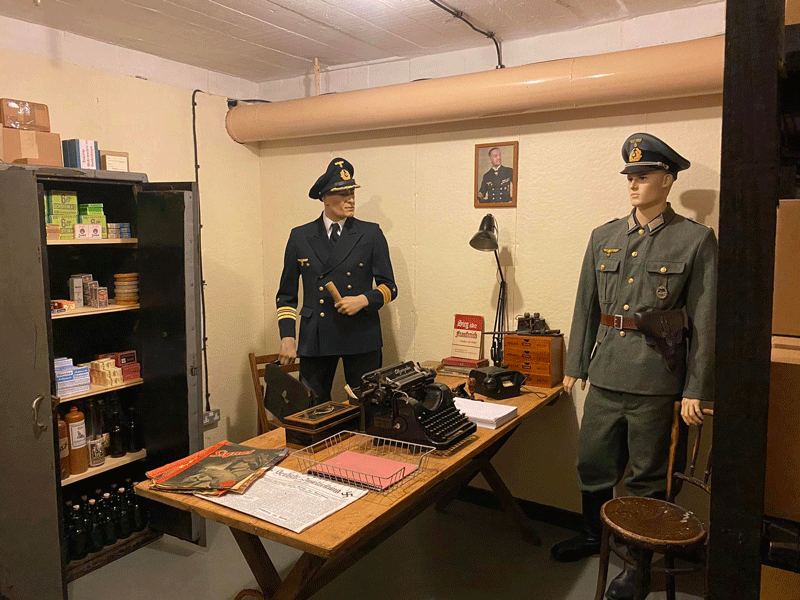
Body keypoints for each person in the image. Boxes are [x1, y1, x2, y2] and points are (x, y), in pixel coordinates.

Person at [551, 133, 717, 600]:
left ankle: (638, 566)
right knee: (593, 462)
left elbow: (706, 320)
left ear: (667, 180)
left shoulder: (694, 240)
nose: (633, 184)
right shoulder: (603, 236)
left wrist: (696, 388)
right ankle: (592, 536)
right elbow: (585, 304)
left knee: (648, 476)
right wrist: (576, 364)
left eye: (644, 176)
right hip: (605, 373)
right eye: (630, 176)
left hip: (657, 378)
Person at [275, 158, 397, 404]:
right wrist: (287, 336)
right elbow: (286, 295)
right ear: (325, 198)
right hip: (315, 337)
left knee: (368, 407)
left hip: (361, 333)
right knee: (312, 409)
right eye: (342, 194)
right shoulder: (300, 236)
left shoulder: (370, 233)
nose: (350, 200)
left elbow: (389, 288)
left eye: (352, 193)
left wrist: (363, 300)